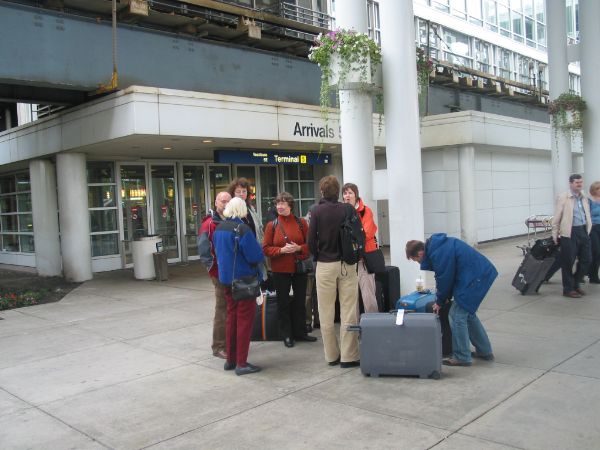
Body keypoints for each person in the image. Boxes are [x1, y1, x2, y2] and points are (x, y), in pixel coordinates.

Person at [406, 234, 497, 367]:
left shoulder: (439, 253)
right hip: (478, 275)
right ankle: (485, 351)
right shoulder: (437, 248)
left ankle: (462, 356)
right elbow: (445, 276)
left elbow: (445, 279)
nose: (418, 263)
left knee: (456, 315)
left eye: (416, 260)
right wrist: (443, 298)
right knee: (468, 314)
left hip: (475, 278)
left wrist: (439, 301)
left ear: (420, 253)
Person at [308, 175, 360, 368]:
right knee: (348, 310)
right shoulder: (347, 209)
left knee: (326, 311)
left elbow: (310, 241)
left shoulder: (316, 211)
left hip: (325, 265)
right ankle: (349, 356)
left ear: (322, 192)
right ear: (338, 192)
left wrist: (318, 255)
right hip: (347, 264)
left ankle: (331, 355)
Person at [213, 197, 265, 376]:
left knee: (231, 318)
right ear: (242, 210)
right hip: (244, 281)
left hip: (226, 280)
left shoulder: (219, 228)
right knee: (244, 321)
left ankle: (231, 359)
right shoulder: (242, 228)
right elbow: (255, 256)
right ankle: (241, 363)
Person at [262, 192, 317, 348]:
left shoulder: (301, 223)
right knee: (283, 303)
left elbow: (310, 245)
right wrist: (281, 251)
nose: (279, 206)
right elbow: (265, 249)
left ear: (290, 205)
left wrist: (298, 248)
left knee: (300, 302)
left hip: (299, 268)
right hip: (280, 270)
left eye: (282, 203)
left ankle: (300, 332)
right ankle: (286, 334)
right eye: (277, 203)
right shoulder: (271, 225)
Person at [198, 191, 231, 359]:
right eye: (222, 201)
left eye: (228, 201)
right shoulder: (209, 224)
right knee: (222, 309)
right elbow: (204, 252)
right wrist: (214, 271)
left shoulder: (230, 220)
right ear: (216, 203)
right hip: (219, 273)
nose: (225, 204)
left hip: (231, 272)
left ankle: (229, 343)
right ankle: (219, 346)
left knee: (230, 308)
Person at [552, 174, 592, 298]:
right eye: (577, 182)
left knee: (587, 259)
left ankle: (575, 282)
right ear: (570, 183)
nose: (579, 184)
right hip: (569, 232)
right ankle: (568, 289)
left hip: (583, 230)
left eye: (581, 182)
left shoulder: (584, 197)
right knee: (568, 262)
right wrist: (555, 234)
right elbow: (557, 217)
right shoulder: (563, 197)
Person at [342, 183, 379, 316]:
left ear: (356, 195)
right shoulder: (341, 211)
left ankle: (373, 325)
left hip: (364, 259)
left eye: (350, 193)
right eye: (345, 193)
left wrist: (348, 238)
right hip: (348, 260)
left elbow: (366, 234)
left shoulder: (365, 211)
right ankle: (354, 327)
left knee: (368, 295)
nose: (347, 196)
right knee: (351, 298)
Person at [228, 177, 266, 280]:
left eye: (244, 191)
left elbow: (259, 229)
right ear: (232, 194)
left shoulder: (251, 209)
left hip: (255, 252)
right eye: (238, 191)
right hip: (239, 255)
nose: (241, 194)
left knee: (258, 282)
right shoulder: (230, 211)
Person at [588, 181, 600, 284]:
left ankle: (592, 274)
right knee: (596, 251)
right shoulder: (589, 201)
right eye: (598, 188)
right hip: (594, 228)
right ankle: (593, 275)